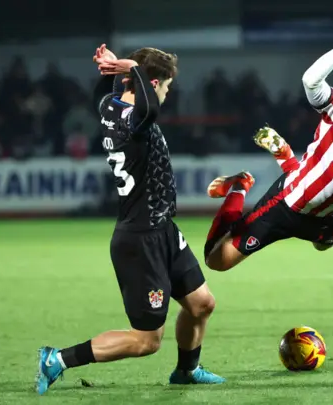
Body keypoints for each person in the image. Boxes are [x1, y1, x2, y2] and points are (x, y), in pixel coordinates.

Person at [35, 44, 224, 395]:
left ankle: (187, 370)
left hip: (162, 229)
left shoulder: (112, 107)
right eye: (165, 86)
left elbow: (117, 97)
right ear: (152, 84)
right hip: (141, 240)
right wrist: (128, 67)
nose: (166, 94)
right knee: (146, 341)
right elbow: (149, 106)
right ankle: (57, 359)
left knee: (202, 304)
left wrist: (115, 73)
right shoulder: (137, 118)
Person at [203, 15, 333, 272]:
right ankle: (240, 186)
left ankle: (290, 162)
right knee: (217, 262)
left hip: (328, 219)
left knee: (325, 245)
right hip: (287, 205)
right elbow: (311, 81)